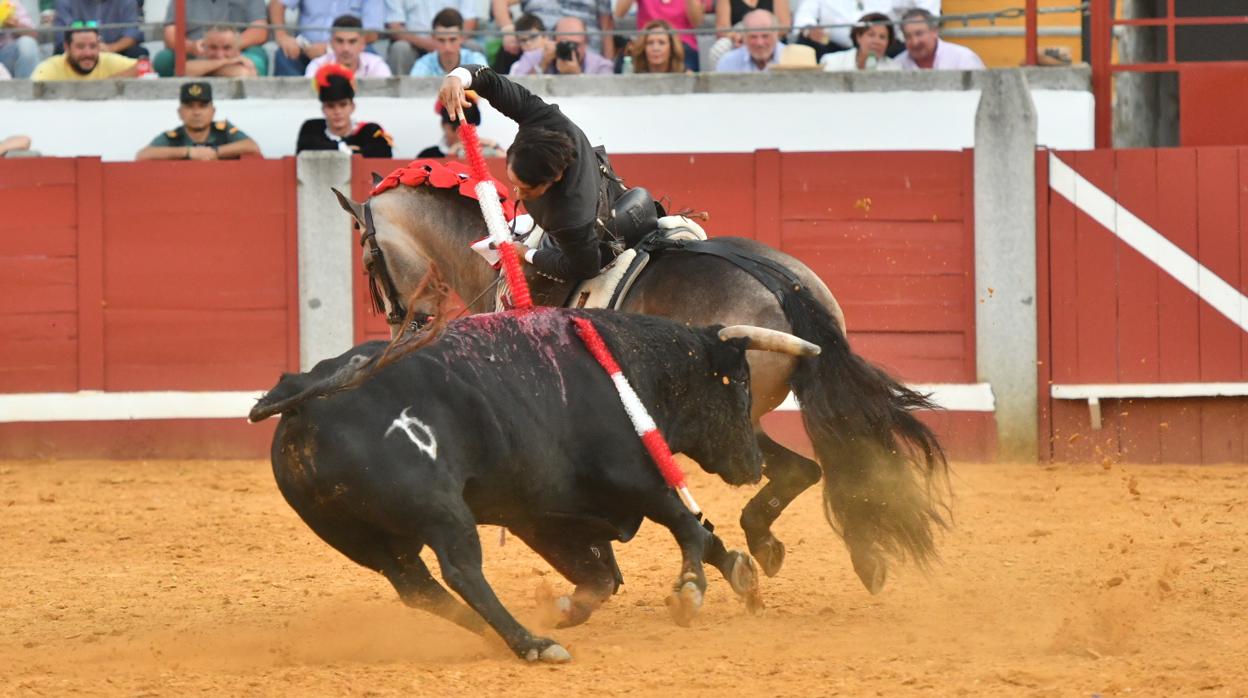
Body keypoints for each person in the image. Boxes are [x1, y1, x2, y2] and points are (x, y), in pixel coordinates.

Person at [439, 65, 641, 282]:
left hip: (592, 224)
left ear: (555, 179)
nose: (519, 194)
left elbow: (584, 268)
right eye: (515, 182)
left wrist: (526, 254)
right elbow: (491, 82)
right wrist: (458, 77)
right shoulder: (541, 117)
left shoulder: (571, 216)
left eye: (528, 189)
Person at [136, 82, 262, 161]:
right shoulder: (173, 137)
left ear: (213, 111)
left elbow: (252, 147)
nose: (196, 112)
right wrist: (188, 152)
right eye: (190, 106)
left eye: (203, 106)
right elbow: (143, 156)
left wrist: (215, 152)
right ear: (180, 112)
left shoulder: (224, 130)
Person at [297, 63, 394, 157]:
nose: (337, 111)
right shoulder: (311, 128)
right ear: (323, 109)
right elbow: (304, 149)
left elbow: (384, 152)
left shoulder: (370, 131)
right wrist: (343, 149)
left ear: (352, 107)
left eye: (343, 105)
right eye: (331, 106)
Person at [155, 0, 269, 77]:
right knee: (164, 59)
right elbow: (171, 35)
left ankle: (197, 71)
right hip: (196, 50)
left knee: (257, 58)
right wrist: (192, 47)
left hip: (238, 49)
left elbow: (259, 31)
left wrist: (229, 48)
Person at [271, 0, 384, 76]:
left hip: (347, 47)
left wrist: (330, 48)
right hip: (305, 49)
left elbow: (372, 33)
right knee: (285, 54)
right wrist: (282, 36)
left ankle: (354, 104)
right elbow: (277, 4)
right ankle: (293, 107)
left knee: (370, 55)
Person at [385, 0, 478, 76]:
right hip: (413, 44)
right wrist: (431, 43)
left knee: (474, 47)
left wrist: (452, 40)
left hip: (453, 39)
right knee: (400, 49)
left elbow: (470, 20)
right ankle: (399, 96)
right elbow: (394, 26)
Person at [493, 0, 613, 56]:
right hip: (537, 52)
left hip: (586, 55)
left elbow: (607, 27)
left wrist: (609, 62)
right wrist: (508, 30)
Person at [32, 20, 139, 80]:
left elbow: (146, 66)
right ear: (66, 48)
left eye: (93, 46)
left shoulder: (106, 60)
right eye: (80, 46)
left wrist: (110, 82)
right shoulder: (50, 67)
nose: (88, 53)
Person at [613, 0, 701, 71]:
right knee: (624, 63)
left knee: (688, 74)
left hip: (683, 46)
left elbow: (697, 22)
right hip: (646, 43)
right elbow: (619, 13)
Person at [508, 16, 612, 76]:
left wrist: (578, 75)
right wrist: (542, 65)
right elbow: (517, 91)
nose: (570, 49)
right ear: (554, 41)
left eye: (575, 44)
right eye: (564, 43)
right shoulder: (533, 58)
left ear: (586, 42)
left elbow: (607, 99)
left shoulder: (601, 65)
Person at [52, 0, 146, 58]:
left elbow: (132, 34)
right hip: (78, 51)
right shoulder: (64, 1)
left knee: (138, 52)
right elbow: (62, 36)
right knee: (60, 51)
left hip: (115, 52)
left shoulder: (128, 1)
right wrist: (87, 48)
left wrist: (110, 48)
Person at [417, 97, 505, 159]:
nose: (463, 137)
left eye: (470, 130)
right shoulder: (427, 156)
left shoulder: (487, 149)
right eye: (457, 130)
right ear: (444, 125)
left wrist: (495, 147)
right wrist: (451, 155)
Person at [895, 8, 982, 70]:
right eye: (907, 36)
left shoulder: (962, 58)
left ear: (934, 31)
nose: (914, 42)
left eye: (919, 34)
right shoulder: (897, 65)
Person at [306, 15, 392, 77]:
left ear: (362, 44)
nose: (345, 48)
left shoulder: (376, 65)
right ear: (331, 43)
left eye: (352, 41)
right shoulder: (317, 66)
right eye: (340, 41)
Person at [409, 8, 486, 77]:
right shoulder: (423, 64)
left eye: (452, 40)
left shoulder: (475, 60)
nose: (447, 47)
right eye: (441, 40)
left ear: (462, 38)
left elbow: (489, 88)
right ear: (433, 38)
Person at [819, 12, 899, 71]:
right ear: (858, 37)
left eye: (882, 37)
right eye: (871, 35)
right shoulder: (831, 62)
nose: (876, 41)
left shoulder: (895, 69)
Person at [714, 9, 781, 72]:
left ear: (775, 35)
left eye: (765, 36)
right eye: (753, 37)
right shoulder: (728, 63)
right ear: (745, 38)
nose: (759, 43)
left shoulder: (790, 59)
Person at [178, 25, 259, 77]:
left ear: (237, 50)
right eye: (213, 47)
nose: (219, 54)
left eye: (227, 48)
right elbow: (183, 70)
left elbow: (241, 73)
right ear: (203, 47)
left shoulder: (246, 64)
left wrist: (203, 70)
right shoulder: (196, 62)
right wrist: (226, 62)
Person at [491, 12, 544, 76]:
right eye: (523, 40)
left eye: (533, 37)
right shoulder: (516, 66)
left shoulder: (555, 54)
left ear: (544, 36)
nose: (528, 43)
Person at [0, 0, 40, 78]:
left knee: (27, 43)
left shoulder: (9, 3)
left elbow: (33, 35)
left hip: (6, 56)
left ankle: (27, 89)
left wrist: (15, 26)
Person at [715, 0, 788, 40]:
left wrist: (763, 36)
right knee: (721, 47)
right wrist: (742, 37)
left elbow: (784, 25)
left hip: (771, 40)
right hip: (737, 40)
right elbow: (722, 29)